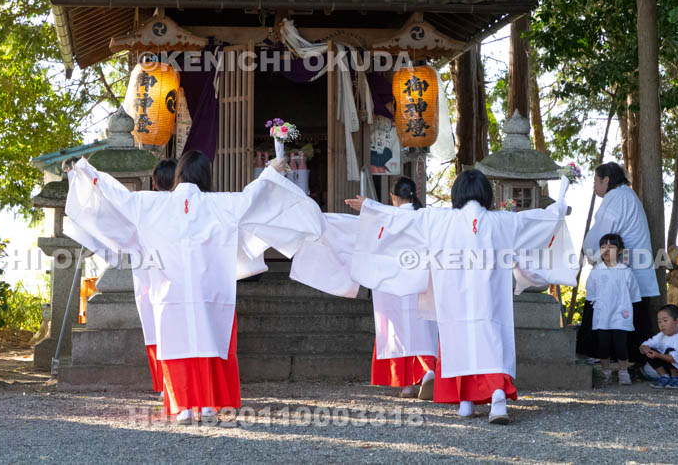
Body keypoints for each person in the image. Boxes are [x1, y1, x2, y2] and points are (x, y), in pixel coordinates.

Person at [65, 150, 324, 425]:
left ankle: (184, 408)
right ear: (205, 176)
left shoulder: (150, 204)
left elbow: (117, 197)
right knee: (209, 342)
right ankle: (209, 406)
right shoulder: (219, 204)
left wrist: (88, 173)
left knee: (176, 347)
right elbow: (253, 196)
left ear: (179, 174)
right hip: (209, 292)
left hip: (170, 293)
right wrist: (270, 170)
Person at [349, 169, 575, 424]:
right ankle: (497, 397)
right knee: (491, 342)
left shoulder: (440, 219)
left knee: (459, 344)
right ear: (485, 194)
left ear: (457, 194)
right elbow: (537, 223)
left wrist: (369, 208)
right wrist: (558, 207)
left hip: (454, 301)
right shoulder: (502, 221)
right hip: (490, 302)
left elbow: (402, 220)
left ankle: (465, 403)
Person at [576, 162, 658, 366]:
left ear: (606, 180)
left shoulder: (616, 197)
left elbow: (603, 231)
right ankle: (634, 360)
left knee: (610, 309)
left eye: (596, 181)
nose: (594, 186)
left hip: (623, 267)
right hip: (633, 264)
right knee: (633, 314)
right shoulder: (626, 195)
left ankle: (607, 356)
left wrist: (589, 251)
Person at [362, 177, 437, 399]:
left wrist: (368, 206)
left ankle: (406, 385)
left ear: (393, 197)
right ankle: (427, 372)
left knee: (398, 331)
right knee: (423, 330)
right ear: (413, 195)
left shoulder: (387, 217)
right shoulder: (425, 217)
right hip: (421, 283)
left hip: (394, 285)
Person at [135, 157, 177, 396]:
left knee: (154, 327)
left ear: (153, 182)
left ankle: (164, 384)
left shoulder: (142, 203)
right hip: (177, 274)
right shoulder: (184, 205)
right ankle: (177, 386)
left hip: (149, 273)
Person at [585, 233, 642, 385]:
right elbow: (590, 292)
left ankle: (623, 372)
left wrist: (628, 309)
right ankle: (605, 373)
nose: (606, 250)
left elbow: (634, 294)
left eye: (611, 247)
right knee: (603, 345)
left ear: (619, 250)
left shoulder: (626, 271)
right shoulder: (596, 271)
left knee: (620, 344)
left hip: (620, 314)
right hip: (602, 314)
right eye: (603, 247)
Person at [639, 304, 678, 388]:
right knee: (649, 350)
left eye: (665, 320)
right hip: (666, 365)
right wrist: (644, 348)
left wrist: (658, 355)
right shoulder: (660, 336)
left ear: (677, 322)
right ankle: (664, 376)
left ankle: (676, 378)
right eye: (659, 322)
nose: (662, 324)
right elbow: (647, 343)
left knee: (670, 351)